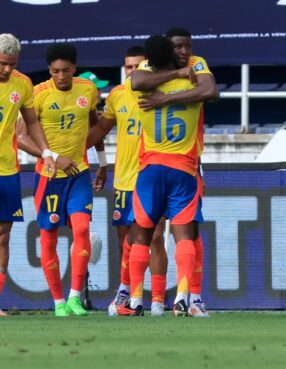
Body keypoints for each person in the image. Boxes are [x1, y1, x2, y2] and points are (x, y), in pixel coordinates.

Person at [131, 27, 219, 317]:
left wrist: (162, 98)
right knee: (182, 231)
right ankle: (179, 297)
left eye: (188, 47)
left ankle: (143, 299)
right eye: (178, 48)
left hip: (157, 165)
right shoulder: (183, 75)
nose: (185, 52)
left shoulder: (191, 64)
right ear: (169, 51)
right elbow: (208, 91)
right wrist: (179, 79)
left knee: (157, 233)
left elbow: (138, 82)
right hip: (183, 164)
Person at [19, 43, 106, 317]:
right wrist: (53, 157)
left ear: (74, 69)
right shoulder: (38, 93)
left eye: (65, 70)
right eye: (55, 71)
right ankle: (58, 302)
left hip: (79, 171)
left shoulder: (87, 89)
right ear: (49, 70)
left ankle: (75, 297)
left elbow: (95, 125)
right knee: (49, 239)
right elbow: (22, 137)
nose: (60, 76)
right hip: (49, 177)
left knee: (81, 230)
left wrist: (102, 162)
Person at [86, 46, 168, 316]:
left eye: (138, 66)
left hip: (153, 176)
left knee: (155, 238)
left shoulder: (161, 92)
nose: (132, 71)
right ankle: (128, 295)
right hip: (124, 179)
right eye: (128, 67)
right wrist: (74, 148)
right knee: (127, 243)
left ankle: (157, 299)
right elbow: (101, 128)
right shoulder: (118, 96)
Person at [0, 33, 56, 316]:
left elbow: (31, 121)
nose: (6, 69)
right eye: (1, 63)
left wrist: (46, 153)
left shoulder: (22, 84)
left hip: (7, 169)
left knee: (2, 235)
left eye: (11, 64)